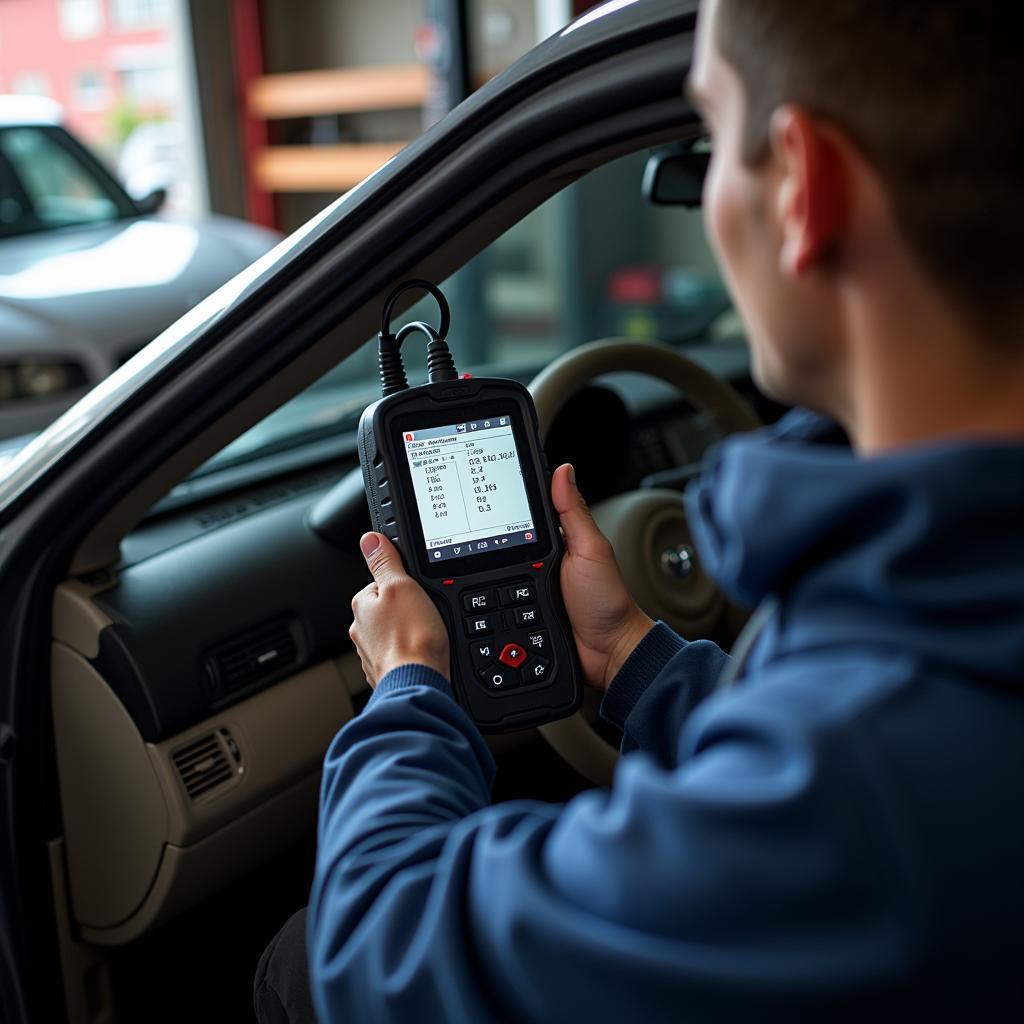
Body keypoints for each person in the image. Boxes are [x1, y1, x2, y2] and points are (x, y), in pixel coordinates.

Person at [256, 0, 1024, 1020]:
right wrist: (630, 655)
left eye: (709, 140)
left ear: (802, 185)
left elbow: (378, 946)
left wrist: (407, 689)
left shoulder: (870, 772)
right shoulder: (940, 637)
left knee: (291, 962)